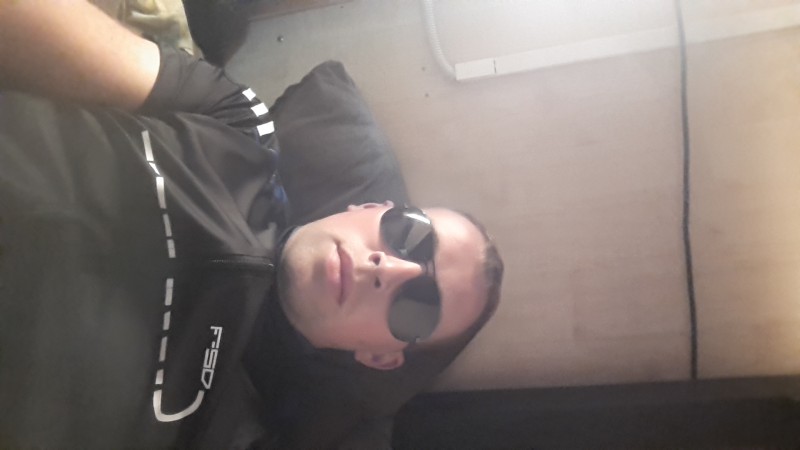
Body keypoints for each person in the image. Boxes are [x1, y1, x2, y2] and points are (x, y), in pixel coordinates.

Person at [0, 1, 503, 448]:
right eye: (410, 234)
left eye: (418, 307)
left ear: (379, 357)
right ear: (370, 207)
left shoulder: (241, 435)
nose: (389, 269)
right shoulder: (240, 122)